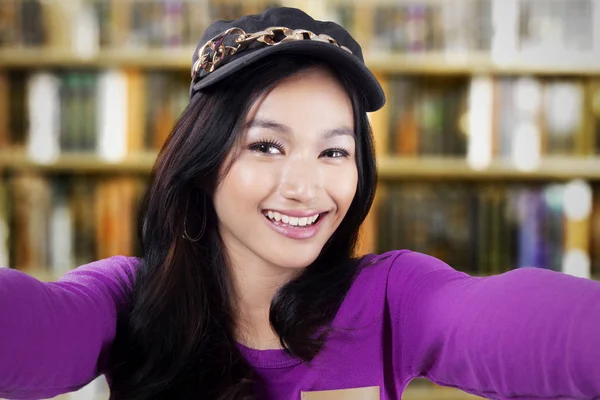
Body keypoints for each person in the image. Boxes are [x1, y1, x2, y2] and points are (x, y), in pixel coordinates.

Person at [1, 7, 600, 400]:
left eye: (334, 153)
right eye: (266, 145)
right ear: (202, 160)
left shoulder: (392, 296)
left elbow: (517, 321)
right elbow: (32, 330)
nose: (305, 186)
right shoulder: (126, 298)